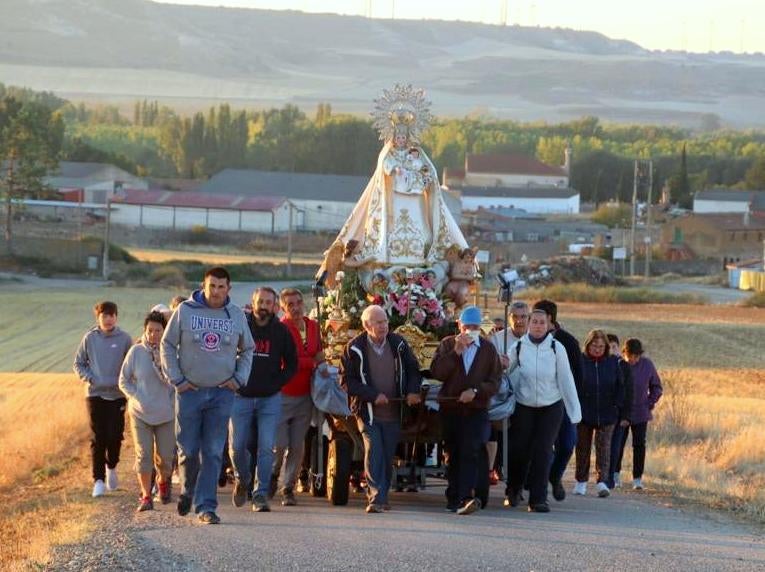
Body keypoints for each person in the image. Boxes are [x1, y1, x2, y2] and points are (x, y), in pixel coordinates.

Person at [325, 85, 468, 268]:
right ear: (393, 137)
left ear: (408, 137)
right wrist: (395, 169)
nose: (401, 140)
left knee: (418, 228)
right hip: (394, 196)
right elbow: (384, 165)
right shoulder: (388, 152)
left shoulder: (416, 152)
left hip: (414, 197)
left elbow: (428, 170)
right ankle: (388, 249)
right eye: (398, 137)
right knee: (391, 228)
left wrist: (416, 172)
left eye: (403, 137)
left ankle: (419, 250)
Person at [161, 266, 254, 525]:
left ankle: (207, 507)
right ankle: (188, 490)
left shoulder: (235, 315)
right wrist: (176, 379)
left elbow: (248, 349)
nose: (215, 291)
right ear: (203, 286)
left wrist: (238, 379)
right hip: (190, 392)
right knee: (189, 450)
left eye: (221, 286)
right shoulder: (185, 311)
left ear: (228, 289)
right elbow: (167, 345)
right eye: (211, 286)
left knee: (213, 451)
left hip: (221, 394)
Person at [340, 305, 422, 513]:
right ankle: (376, 497)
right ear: (367, 325)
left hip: (394, 412)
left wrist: (412, 391)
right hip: (367, 412)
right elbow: (347, 382)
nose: (384, 326)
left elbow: (414, 371)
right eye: (378, 322)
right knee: (374, 449)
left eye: (385, 321)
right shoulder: (354, 348)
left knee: (386, 454)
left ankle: (383, 497)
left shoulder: (399, 344)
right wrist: (373, 395)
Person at [504, 309, 582, 513]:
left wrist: (574, 412)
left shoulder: (557, 348)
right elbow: (505, 370)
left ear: (548, 325)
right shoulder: (519, 346)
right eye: (535, 322)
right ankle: (514, 488)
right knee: (519, 449)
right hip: (524, 405)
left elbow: (566, 379)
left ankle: (538, 499)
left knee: (544, 450)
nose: (538, 326)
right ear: (529, 324)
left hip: (551, 405)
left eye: (542, 322)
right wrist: (501, 364)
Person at [230, 287, 297, 513]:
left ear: (275, 305)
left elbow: (292, 364)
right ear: (253, 302)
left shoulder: (281, 332)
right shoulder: (241, 327)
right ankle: (242, 479)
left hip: (269, 399)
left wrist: (277, 383)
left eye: (269, 302)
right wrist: (233, 378)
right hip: (241, 396)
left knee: (267, 447)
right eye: (261, 301)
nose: (264, 306)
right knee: (237, 448)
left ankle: (260, 495)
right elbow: (226, 354)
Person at [430, 305, 501, 515]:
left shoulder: (487, 350)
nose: (470, 330)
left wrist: (476, 391)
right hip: (451, 408)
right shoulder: (447, 345)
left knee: (471, 449)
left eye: (474, 326)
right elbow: (438, 373)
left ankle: (466, 497)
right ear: (459, 325)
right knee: (453, 452)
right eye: (466, 326)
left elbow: (495, 381)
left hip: (476, 409)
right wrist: (455, 353)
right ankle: (453, 497)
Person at [74, 301, 133, 498]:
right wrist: (90, 378)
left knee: (114, 435)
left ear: (116, 317)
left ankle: (112, 466)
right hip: (94, 394)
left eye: (111, 315)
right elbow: (79, 363)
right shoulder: (90, 338)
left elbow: (131, 366)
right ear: (97, 317)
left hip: (117, 395)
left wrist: (126, 384)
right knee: (98, 438)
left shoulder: (124, 339)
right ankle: (98, 480)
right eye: (104, 316)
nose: (108, 319)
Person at [272, 288, 325, 507]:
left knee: (297, 444)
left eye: (298, 303)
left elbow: (319, 353)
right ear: (283, 308)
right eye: (290, 305)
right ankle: (272, 476)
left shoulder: (313, 327)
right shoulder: (281, 329)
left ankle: (288, 488)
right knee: (280, 444)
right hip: (283, 394)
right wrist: (310, 362)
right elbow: (285, 362)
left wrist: (318, 362)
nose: (295, 308)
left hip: (305, 395)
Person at [119, 311, 175, 512]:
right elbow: (123, 380)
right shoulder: (136, 352)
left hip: (165, 413)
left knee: (166, 458)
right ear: (144, 331)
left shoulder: (170, 352)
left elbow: (177, 381)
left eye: (157, 331)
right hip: (140, 413)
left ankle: (163, 481)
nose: (153, 335)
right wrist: (135, 396)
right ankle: (145, 495)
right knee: (143, 456)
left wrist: (172, 402)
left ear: (164, 331)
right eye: (149, 330)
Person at [532, 299, 582, 502]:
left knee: (568, 444)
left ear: (550, 319)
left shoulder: (567, 342)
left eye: (541, 319)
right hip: (538, 402)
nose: (536, 323)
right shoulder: (529, 341)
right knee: (542, 446)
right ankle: (541, 483)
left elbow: (579, 374)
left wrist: (573, 402)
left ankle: (555, 475)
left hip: (562, 402)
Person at [573, 329, 626, 499]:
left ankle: (602, 481)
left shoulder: (613, 362)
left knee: (604, 448)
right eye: (594, 345)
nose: (598, 349)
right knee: (582, 448)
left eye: (601, 346)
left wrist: (617, 406)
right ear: (588, 345)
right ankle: (581, 481)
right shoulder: (580, 361)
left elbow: (620, 386)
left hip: (607, 412)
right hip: (584, 411)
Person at [611, 338, 663, 491]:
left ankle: (637, 479)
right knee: (618, 444)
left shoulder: (647, 365)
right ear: (624, 353)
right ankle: (615, 474)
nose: (633, 359)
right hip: (621, 413)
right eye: (630, 356)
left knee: (639, 445)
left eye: (636, 356)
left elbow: (657, 387)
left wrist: (649, 403)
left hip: (641, 413)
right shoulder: (619, 364)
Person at [487, 301, 530, 484]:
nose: (519, 321)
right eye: (515, 317)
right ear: (509, 318)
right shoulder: (498, 339)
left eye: (523, 317)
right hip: (505, 396)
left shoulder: (534, 337)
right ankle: (500, 468)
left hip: (528, 395)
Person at [606, 333, 634, 489]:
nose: (611, 350)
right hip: (604, 412)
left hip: (619, 413)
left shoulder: (624, 366)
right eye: (608, 347)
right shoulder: (601, 364)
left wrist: (626, 415)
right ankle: (602, 475)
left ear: (619, 348)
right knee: (603, 445)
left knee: (615, 446)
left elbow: (630, 392)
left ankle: (610, 475)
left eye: (614, 347)